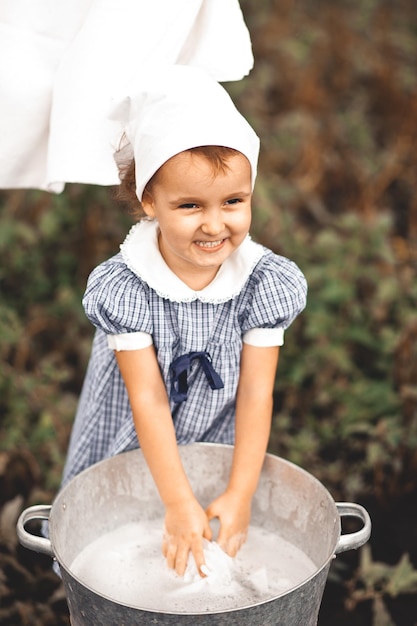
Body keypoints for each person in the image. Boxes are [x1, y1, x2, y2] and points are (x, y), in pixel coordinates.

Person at [61, 65, 307, 578]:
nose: (215, 225)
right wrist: (176, 503)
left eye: (234, 202)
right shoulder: (126, 288)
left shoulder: (262, 285)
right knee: (125, 533)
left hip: (213, 429)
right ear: (150, 202)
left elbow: (256, 395)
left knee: (209, 536)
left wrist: (239, 492)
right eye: (190, 205)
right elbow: (147, 397)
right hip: (131, 428)